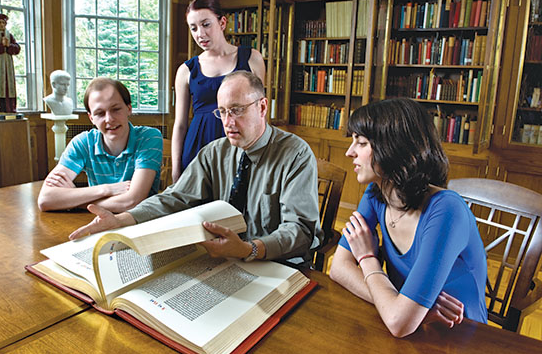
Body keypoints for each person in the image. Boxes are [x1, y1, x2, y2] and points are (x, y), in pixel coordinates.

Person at [69, 71, 321, 266]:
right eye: (222, 112)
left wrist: (249, 249)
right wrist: (122, 220)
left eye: (236, 110)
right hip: (222, 261)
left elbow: (299, 231)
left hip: (276, 264)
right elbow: (174, 198)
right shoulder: (215, 152)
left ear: (262, 107)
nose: (228, 122)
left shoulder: (295, 154)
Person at [329, 98, 487, 338]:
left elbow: (399, 323)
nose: (349, 152)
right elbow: (338, 269)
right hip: (410, 326)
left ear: (393, 148)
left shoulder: (446, 210)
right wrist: (396, 303)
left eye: (361, 143)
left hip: (461, 337)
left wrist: (367, 258)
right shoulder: (376, 193)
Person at [171, 0, 266, 183]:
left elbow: (260, 113)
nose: (200, 33)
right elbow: (180, 124)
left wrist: (262, 154)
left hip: (240, 144)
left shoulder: (251, 58)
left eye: (206, 24)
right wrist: (176, 171)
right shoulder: (186, 70)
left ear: (222, 22)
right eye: (193, 28)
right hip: (197, 147)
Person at [38, 77, 163, 213]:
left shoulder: (149, 137)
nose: (109, 119)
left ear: (129, 109)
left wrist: (74, 199)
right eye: (100, 113)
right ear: (91, 118)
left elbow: (132, 201)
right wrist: (107, 189)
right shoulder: (83, 143)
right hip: (97, 221)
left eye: (115, 109)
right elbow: (46, 199)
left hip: (140, 223)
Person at [0, 13, 21, 113]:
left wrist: (9, 45)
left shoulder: (9, 35)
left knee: (9, 86)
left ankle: (11, 107)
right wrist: (1, 45)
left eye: (3, 23)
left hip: (8, 65)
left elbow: (17, 48)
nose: (2, 25)